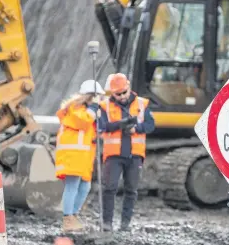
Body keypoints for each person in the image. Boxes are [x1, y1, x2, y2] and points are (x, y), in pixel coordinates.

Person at [99, 73, 155, 232]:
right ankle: (107, 223)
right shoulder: (105, 106)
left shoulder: (142, 104)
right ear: (112, 93)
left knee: (131, 190)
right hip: (113, 156)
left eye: (124, 92)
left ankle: (125, 224)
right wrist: (120, 125)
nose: (122, 96)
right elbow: (102, 126)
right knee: (109, 188)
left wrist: (136, 128)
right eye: (118, 94)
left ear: (129, 87)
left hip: (134, 155)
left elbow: (150, 125)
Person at [55, 79, 106, 233]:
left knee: (85, 187)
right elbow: (83, 121)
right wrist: (94, 108)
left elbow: (95, 127)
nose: (101, 100)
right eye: (99, 97)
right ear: (91, 96)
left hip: (83, 156)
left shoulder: (88, 110)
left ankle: (73, 216)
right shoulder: (74, 109)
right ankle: (68, 219)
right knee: (72, 186)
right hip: (72, 155)